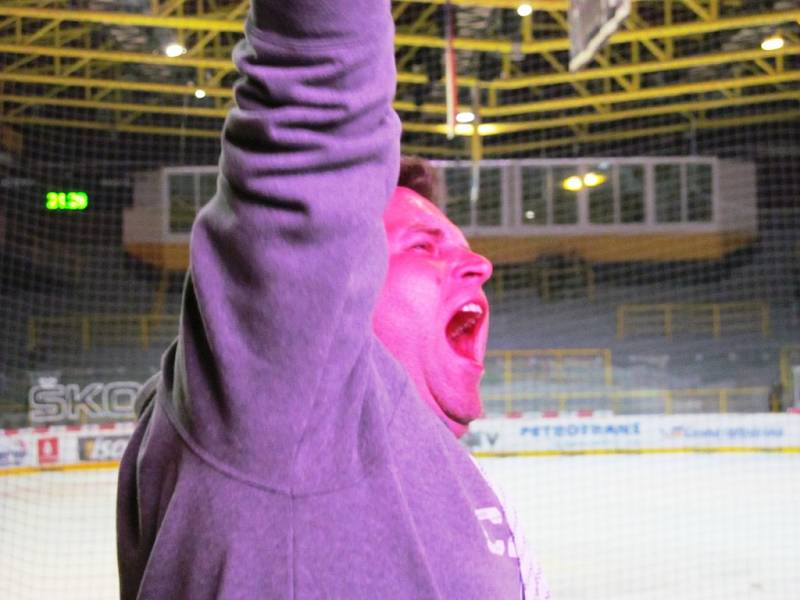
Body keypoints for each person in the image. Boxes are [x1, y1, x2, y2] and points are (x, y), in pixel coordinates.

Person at [117, 1, 547, 597]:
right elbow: (317, 94)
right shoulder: (285, 420)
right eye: (426, 247)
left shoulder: (455, 481)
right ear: (340, 281)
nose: (479, 264)